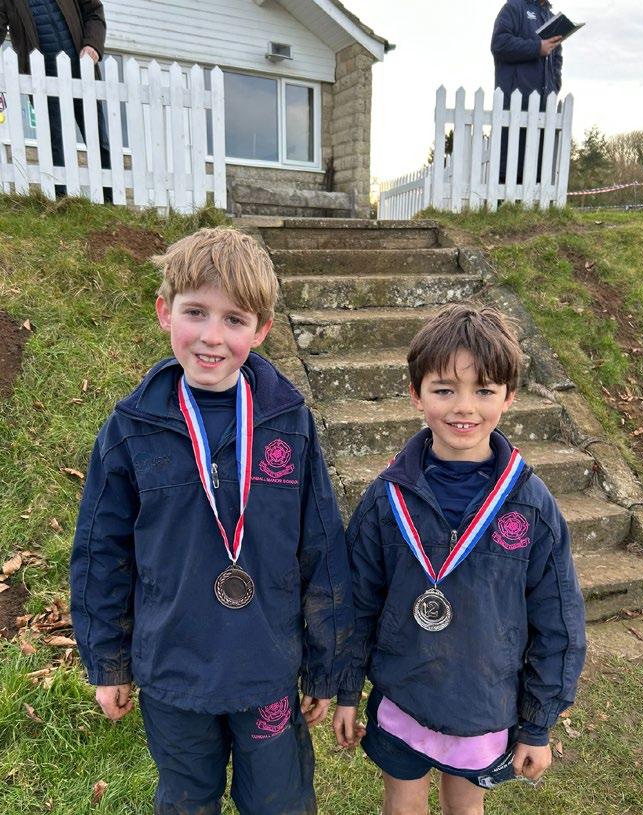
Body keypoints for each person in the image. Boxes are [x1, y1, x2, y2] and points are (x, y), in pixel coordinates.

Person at [70, 226, 353, 815]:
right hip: (174, 671)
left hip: (266, 669)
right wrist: (108, 661)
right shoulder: (130, 430)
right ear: (164, 311)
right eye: (195, 312)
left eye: (234, 319)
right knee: (186, 800)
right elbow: (101, 554)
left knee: (279, 802)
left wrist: (325, 665)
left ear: (262, 329)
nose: (212, 336)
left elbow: (322, 548)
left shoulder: (289, 423)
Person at [333, 304, 586, 815]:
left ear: (509, 397)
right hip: (403, 694)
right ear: (416, 394)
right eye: (444, 389)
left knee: (465, 809)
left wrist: (537, 725)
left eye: (484, 390)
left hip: (482, 703)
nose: (464, 407)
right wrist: (345, 690)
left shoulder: (531, 506)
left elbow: (558, 619)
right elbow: (355, 601)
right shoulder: (386, 498)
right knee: (402, 805)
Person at [0, 0, 112, 200]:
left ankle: (109, 200)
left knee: (97, 140)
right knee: (54, 143)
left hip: (81, 74)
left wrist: (93, 44)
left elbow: (94, 11)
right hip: (42, 80)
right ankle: (61, 201)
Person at [491, 0, 563, 183]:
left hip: (543, 108)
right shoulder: (514, 8)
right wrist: (537, 48)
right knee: (509, 172)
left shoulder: (550, 17)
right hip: (515, 105)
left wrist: (555, 84)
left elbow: (557, 57)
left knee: (538, 174)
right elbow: (499, 44)